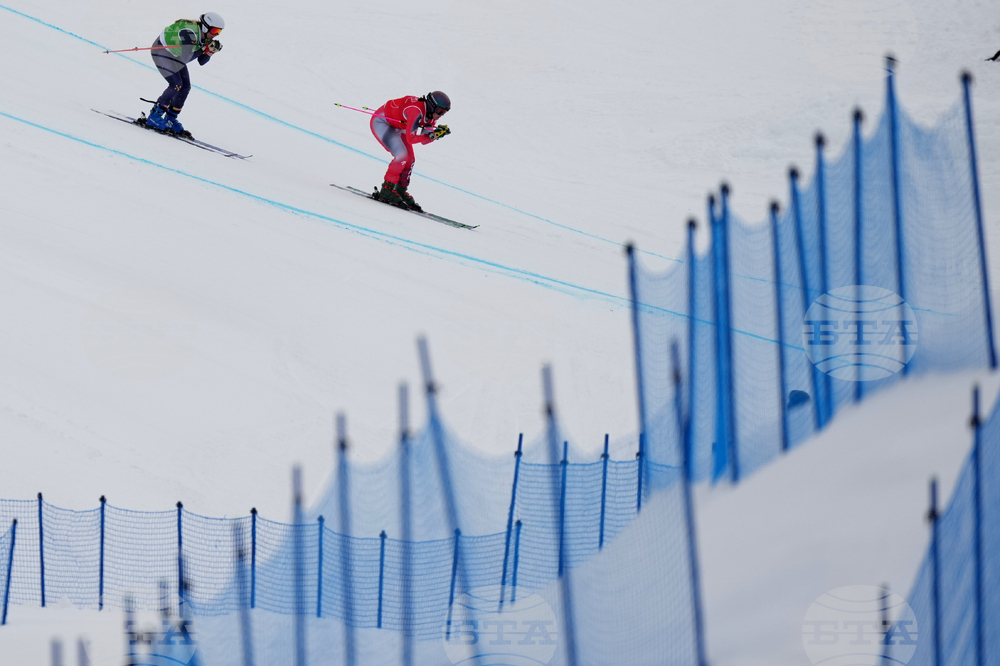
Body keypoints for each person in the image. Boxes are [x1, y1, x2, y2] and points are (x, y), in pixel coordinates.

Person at [143, 13, 225, 137]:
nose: (216, 34)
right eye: (214, 30)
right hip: (162, 51)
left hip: (175, 56)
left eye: (219, 31)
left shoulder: (206, 37)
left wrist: (209, 52)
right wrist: (203, 50)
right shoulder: (189, 33)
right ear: (205, 27)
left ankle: (170, 119)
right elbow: (185, 59)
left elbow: (201, 61)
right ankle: (154, 116)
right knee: (176, 84)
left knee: (186, 87)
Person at [370, 92, 452, 212]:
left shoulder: (430, 115)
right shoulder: (416, 111)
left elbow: (424, 140)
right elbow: (411, 139)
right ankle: (386, 190)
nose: (441, 115)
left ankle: (400, 190)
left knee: (410, 159)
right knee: (402, 156)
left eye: (444, 113)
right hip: (382, 123)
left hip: (398, 126)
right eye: (440, 111)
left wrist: (436, 135)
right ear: (432, 106)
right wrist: (432, 135)